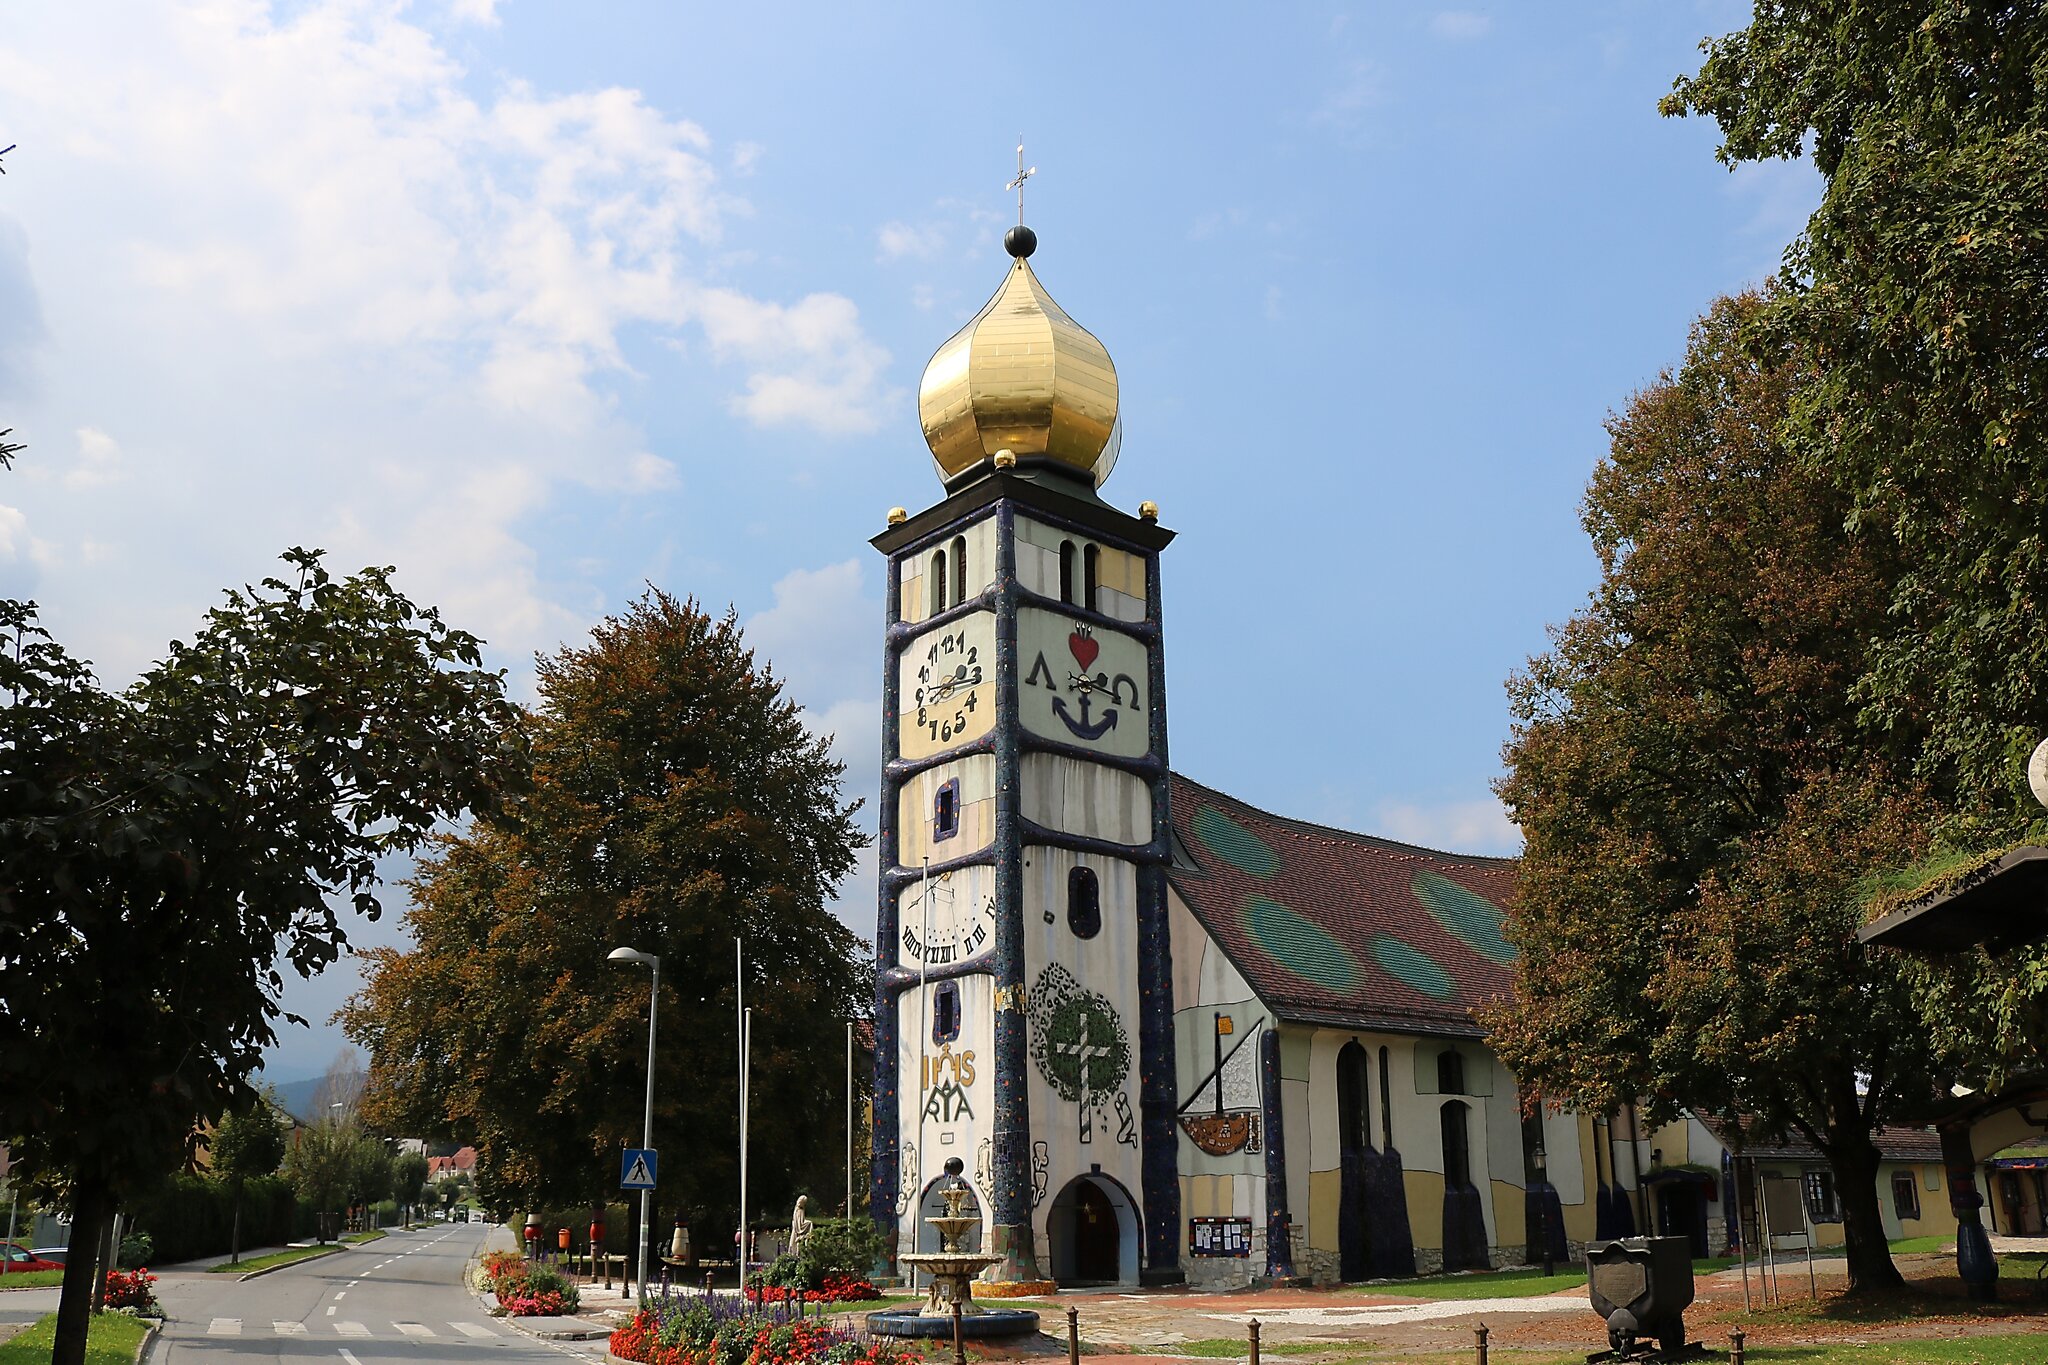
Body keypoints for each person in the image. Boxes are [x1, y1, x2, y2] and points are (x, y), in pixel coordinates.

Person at [788, 1195, 812, 1259]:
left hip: (796, 1231)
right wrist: (809, 1223)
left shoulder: (798, 1209)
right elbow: (799, 1223)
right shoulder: (799, 1210)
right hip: (796, 1231)